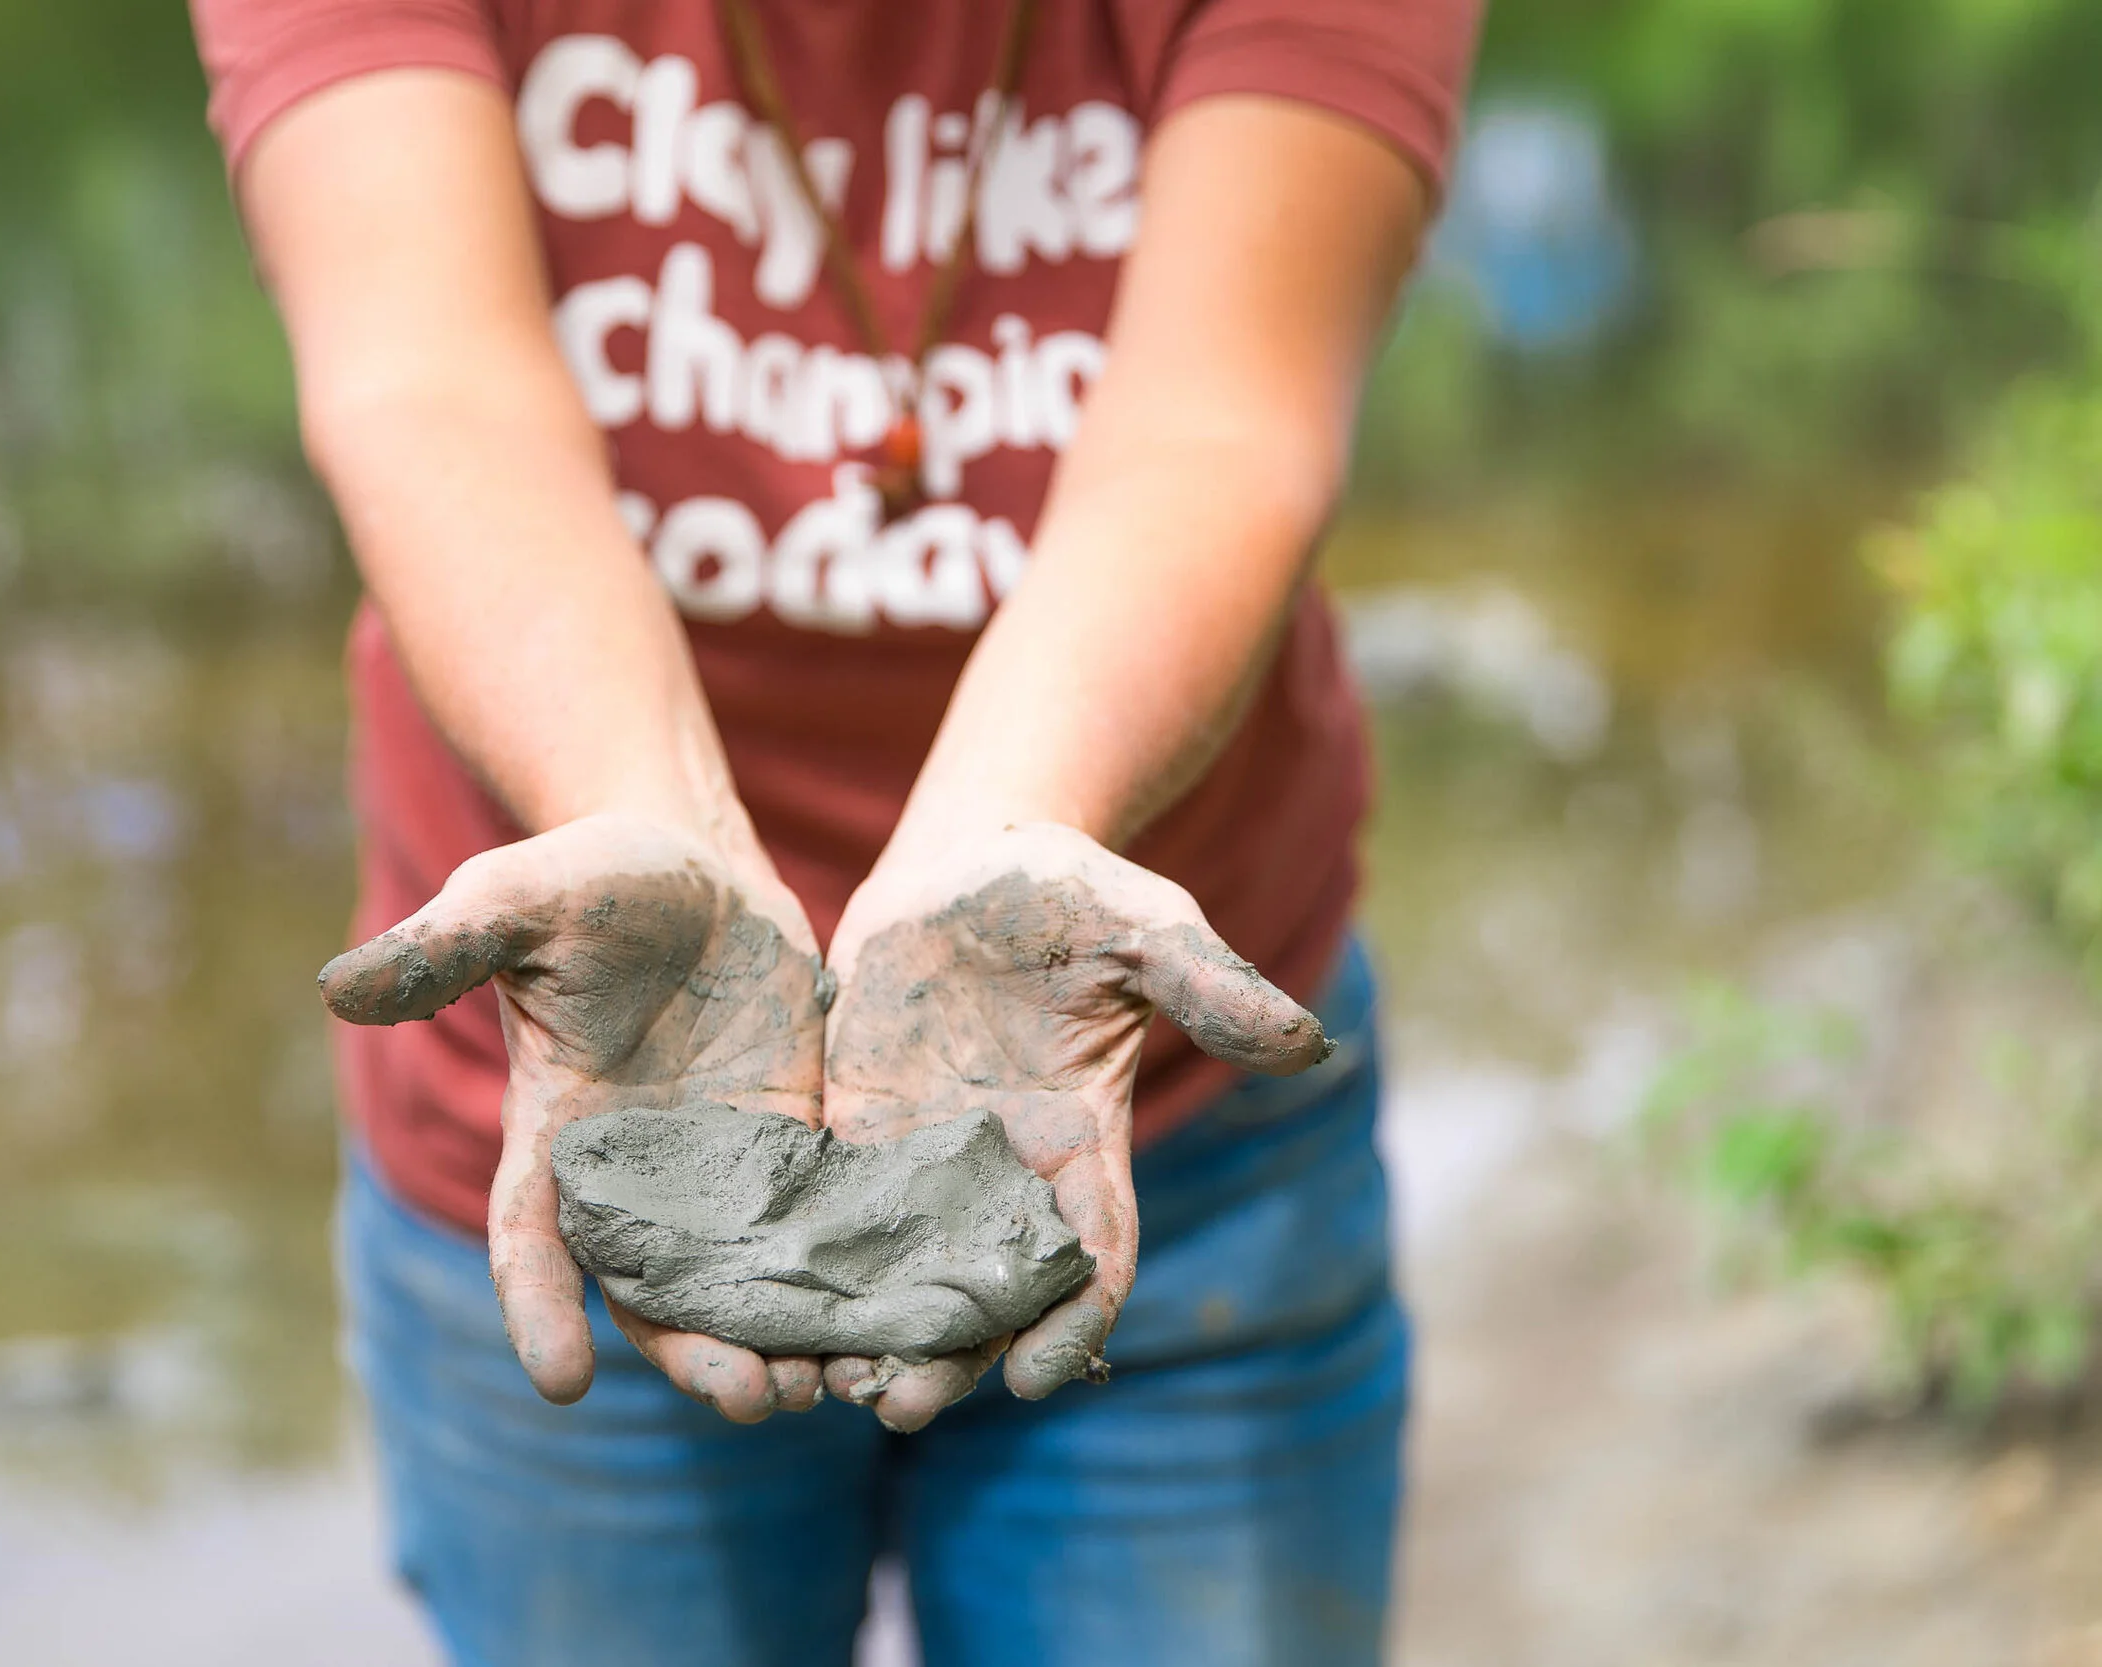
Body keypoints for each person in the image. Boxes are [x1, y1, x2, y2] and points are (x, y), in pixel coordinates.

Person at [189, 2, 1480, 1661]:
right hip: (586, 1090)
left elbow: (1219, 422)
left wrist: (1004, 822)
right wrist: (641, 810)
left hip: (1150, 1102)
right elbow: (428, 386)